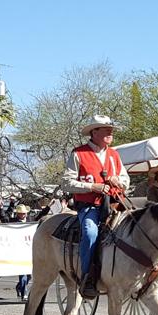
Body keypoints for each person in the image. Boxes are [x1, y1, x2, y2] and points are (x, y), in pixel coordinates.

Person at [61, 115, 130, 299]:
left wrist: (119, 181)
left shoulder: (114, 154)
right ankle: (87, 276)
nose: (110, 132)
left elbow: (126, 179)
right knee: (90, 232)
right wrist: (93, 187)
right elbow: (66, 183)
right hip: (89, 206)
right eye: (105, 129)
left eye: (110, 129)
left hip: (115, 204)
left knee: (134, 228)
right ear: (94, 132)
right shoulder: (78, 154)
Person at [12, 204, 32, 300]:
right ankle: (24, 292)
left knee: (29, 275)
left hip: (29, 250)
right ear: (18, 214)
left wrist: (48, 207)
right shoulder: (14, 223)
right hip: (19, 251)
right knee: (23, 273)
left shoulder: (30, 222)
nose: (23, 215)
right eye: (21, 213)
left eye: (24, 213)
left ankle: (19, 287)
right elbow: (4, 216)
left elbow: (40, 215)